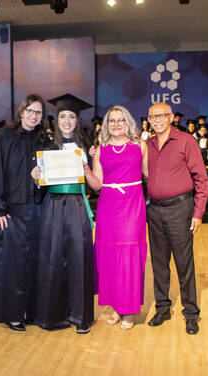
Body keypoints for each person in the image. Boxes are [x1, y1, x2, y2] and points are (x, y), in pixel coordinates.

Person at [0, 93, 50, 332]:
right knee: (10, 263)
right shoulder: (4, 136)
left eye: (38, 112)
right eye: (30, 111)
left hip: (35, 208)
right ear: (21, 111)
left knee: (32, 260)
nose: (33, 116)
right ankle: (12, 314)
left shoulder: (42, 139)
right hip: (10, 212)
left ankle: (29, 311)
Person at [31, 93, 95, 334]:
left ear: (77, 120)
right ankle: (53, 316)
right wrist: (36, 180)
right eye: (63, 116)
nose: (67, 121)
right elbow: (40, 187)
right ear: (56, 120)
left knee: (80, 258)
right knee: (53, 257)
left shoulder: (87, 147)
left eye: (71, 117)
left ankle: (80, 317)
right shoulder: (47, 148)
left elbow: (95, 183)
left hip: (78, 205)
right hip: (54, 205)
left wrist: (90, 165)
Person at [146, 102, 208, 335]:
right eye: (153, 117)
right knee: (159, 263)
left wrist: (198, 212)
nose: (157, 120)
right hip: (154, 210)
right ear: (149, 120)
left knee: (184, 264)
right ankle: (162, 308)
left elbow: (202, 179)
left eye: (162, 115)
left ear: (171, 117)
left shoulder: (186, 141)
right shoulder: (147, 144)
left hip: (180, 209)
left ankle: (191, 313)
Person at [83, 105, 147, 330]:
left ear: (128, 122)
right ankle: (116, 307)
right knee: (110, 257)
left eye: (121, 120)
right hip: (108, 207)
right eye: (112, 120)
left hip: (132, 205)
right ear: (106, 125)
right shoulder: (101, 149)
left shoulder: (140, 146)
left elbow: (150, 174)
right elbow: (97, 185)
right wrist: (86, 171)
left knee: (129, 255)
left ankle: (129, 310)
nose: (116, 124)